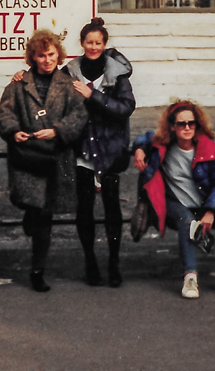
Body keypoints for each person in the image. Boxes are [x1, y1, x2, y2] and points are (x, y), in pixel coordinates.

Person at [0, 28, 88, 292]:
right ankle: (30, 219)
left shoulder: (67, 85)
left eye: (51, 54)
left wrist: (58, 130)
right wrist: (14, 131)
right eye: (41, 55)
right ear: (32, 57)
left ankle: (38, 270)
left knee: (45, 214)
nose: (47, 60)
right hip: (28, 157)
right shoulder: (18, 84)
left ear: (57, 55)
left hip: (56, 159)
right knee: (34, 209)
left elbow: (79, 116)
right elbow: (5, 114)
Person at [132, 100, 215, 299]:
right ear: (172, 126)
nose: (187, 128)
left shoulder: (211, 149)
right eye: (181, 124)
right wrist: (139, 149)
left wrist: (210, 211)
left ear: (198, 125)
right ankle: (190, 276)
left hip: (206, 205)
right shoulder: (162, 144)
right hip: (175, 206)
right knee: (186, 219)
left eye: (192, 123)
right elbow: (143, 138)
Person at [66, 17, 136, 287]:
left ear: (105, 44)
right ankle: (90, 261)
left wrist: (91, 95)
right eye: (89, 42)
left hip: (110, 148)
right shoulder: (70, 70)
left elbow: (125, 108)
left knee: (112, 208)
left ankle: (114, 263)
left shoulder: (117, 73)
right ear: (82, 43)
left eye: (98, 42)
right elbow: (47, 85)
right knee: (84, 208)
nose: (93, 47)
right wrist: (21, 75)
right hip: (83, 148)